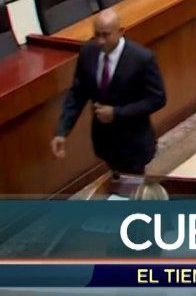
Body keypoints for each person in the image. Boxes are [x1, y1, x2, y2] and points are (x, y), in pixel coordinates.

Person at [51, 9, 166, 175]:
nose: (100, 41)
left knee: (133, 190)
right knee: (116, 185)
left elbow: (158, 98)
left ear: (121, 32)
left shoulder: (142, 58)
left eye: (105, 35)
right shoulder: (88, 52)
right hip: (104, 142)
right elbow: (77, 93)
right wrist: (62, 131)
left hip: (133, 143)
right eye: (96, 35)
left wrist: (117, 113)